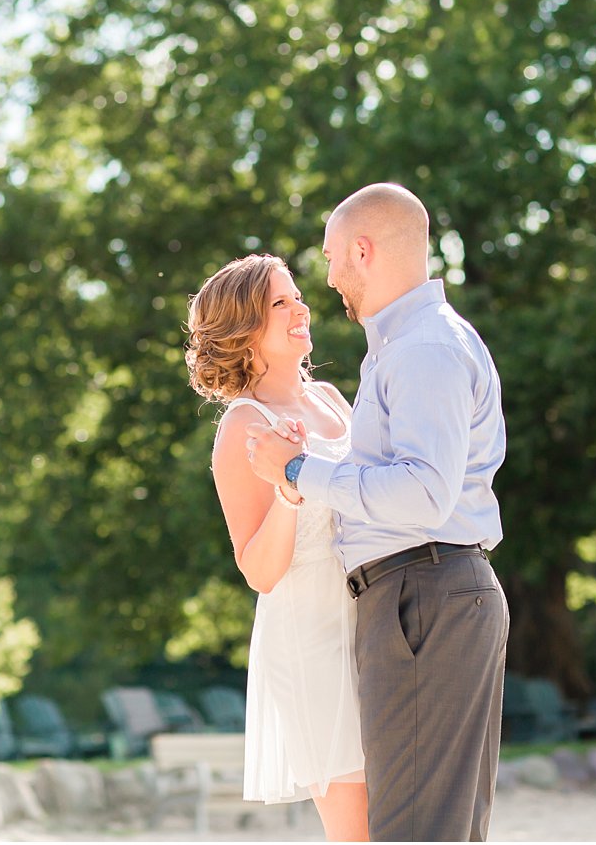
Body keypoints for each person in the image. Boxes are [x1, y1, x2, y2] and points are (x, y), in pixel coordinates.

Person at [247, 182, 509, 842]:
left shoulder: (423, 348)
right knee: (438, 829)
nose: (329, 278)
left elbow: (424, 494)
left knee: (415, 832)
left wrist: (298, 471)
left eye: (334, 258)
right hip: (427, 593)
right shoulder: (406, 346)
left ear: (363, 251)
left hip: (422, 593)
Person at [184, 253, 369, 842]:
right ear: (244, 329)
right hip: (309, 635)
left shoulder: (335, 401)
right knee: (358, 826)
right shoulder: (244, 425)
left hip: (377, 616)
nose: (301, 309)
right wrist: (290, 489)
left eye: (298, 296)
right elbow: (259, 571)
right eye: (279, 303)